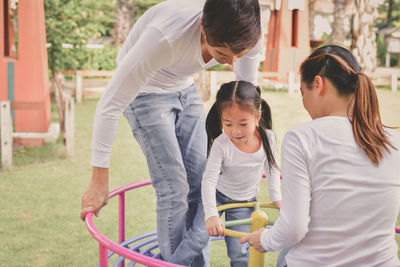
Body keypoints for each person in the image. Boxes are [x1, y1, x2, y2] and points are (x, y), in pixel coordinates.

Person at [80, 0, 264, 266]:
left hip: (185, 89)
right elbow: (110, 105)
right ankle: (173, 263)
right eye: (222, 54)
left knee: (202, 181)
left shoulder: (250, 34)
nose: (232, 62)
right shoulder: (164, 37)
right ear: (202, 28)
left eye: (240, 54)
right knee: (174, 187)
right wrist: (99, 180)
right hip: (144, 93)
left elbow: (248, 96)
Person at [240, 45, 400, 266]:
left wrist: (264, 239)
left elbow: (294, 228)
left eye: (302, 93)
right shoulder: (394, 140)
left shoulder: (301, 138)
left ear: (318, 83)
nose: (303, 102)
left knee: (286, 254)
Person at [201, 81, 282, 267]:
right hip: (217, 196)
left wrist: (277, 199)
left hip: (243, 201)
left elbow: (272, 169)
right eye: (227, 123)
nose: (235, 131)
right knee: (197, 238)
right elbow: (208, 181)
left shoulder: (267, 137)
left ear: (257, 116)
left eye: (243, 123)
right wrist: (212, 215)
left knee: (240, 252)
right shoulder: (222, 143)